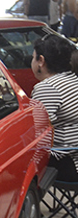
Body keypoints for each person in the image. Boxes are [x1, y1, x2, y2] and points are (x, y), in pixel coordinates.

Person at [30, 34, 78, 181]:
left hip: (68, 162)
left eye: (33, 58)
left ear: (41, 61)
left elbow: (36, 131)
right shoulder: (72, 79)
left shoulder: (47, 88)